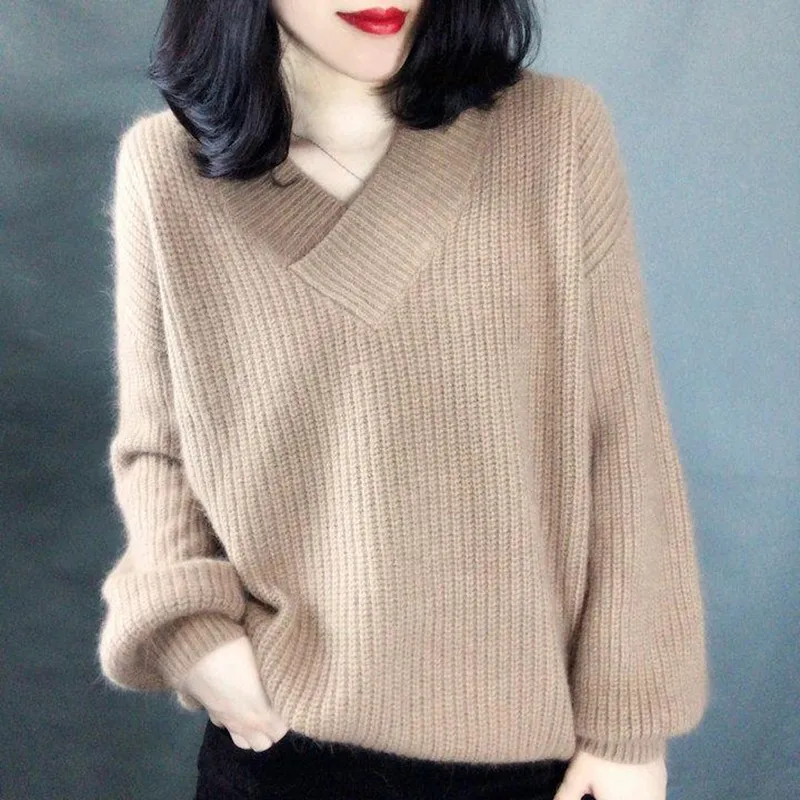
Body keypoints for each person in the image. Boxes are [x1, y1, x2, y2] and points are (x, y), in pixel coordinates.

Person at [96, 1, 710, 798]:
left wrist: (628, 732)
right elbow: (157, 449)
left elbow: (623, 440)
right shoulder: (167, 171)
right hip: (279, 747)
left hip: (529, 765)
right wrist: (193, 635)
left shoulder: (556, 137)